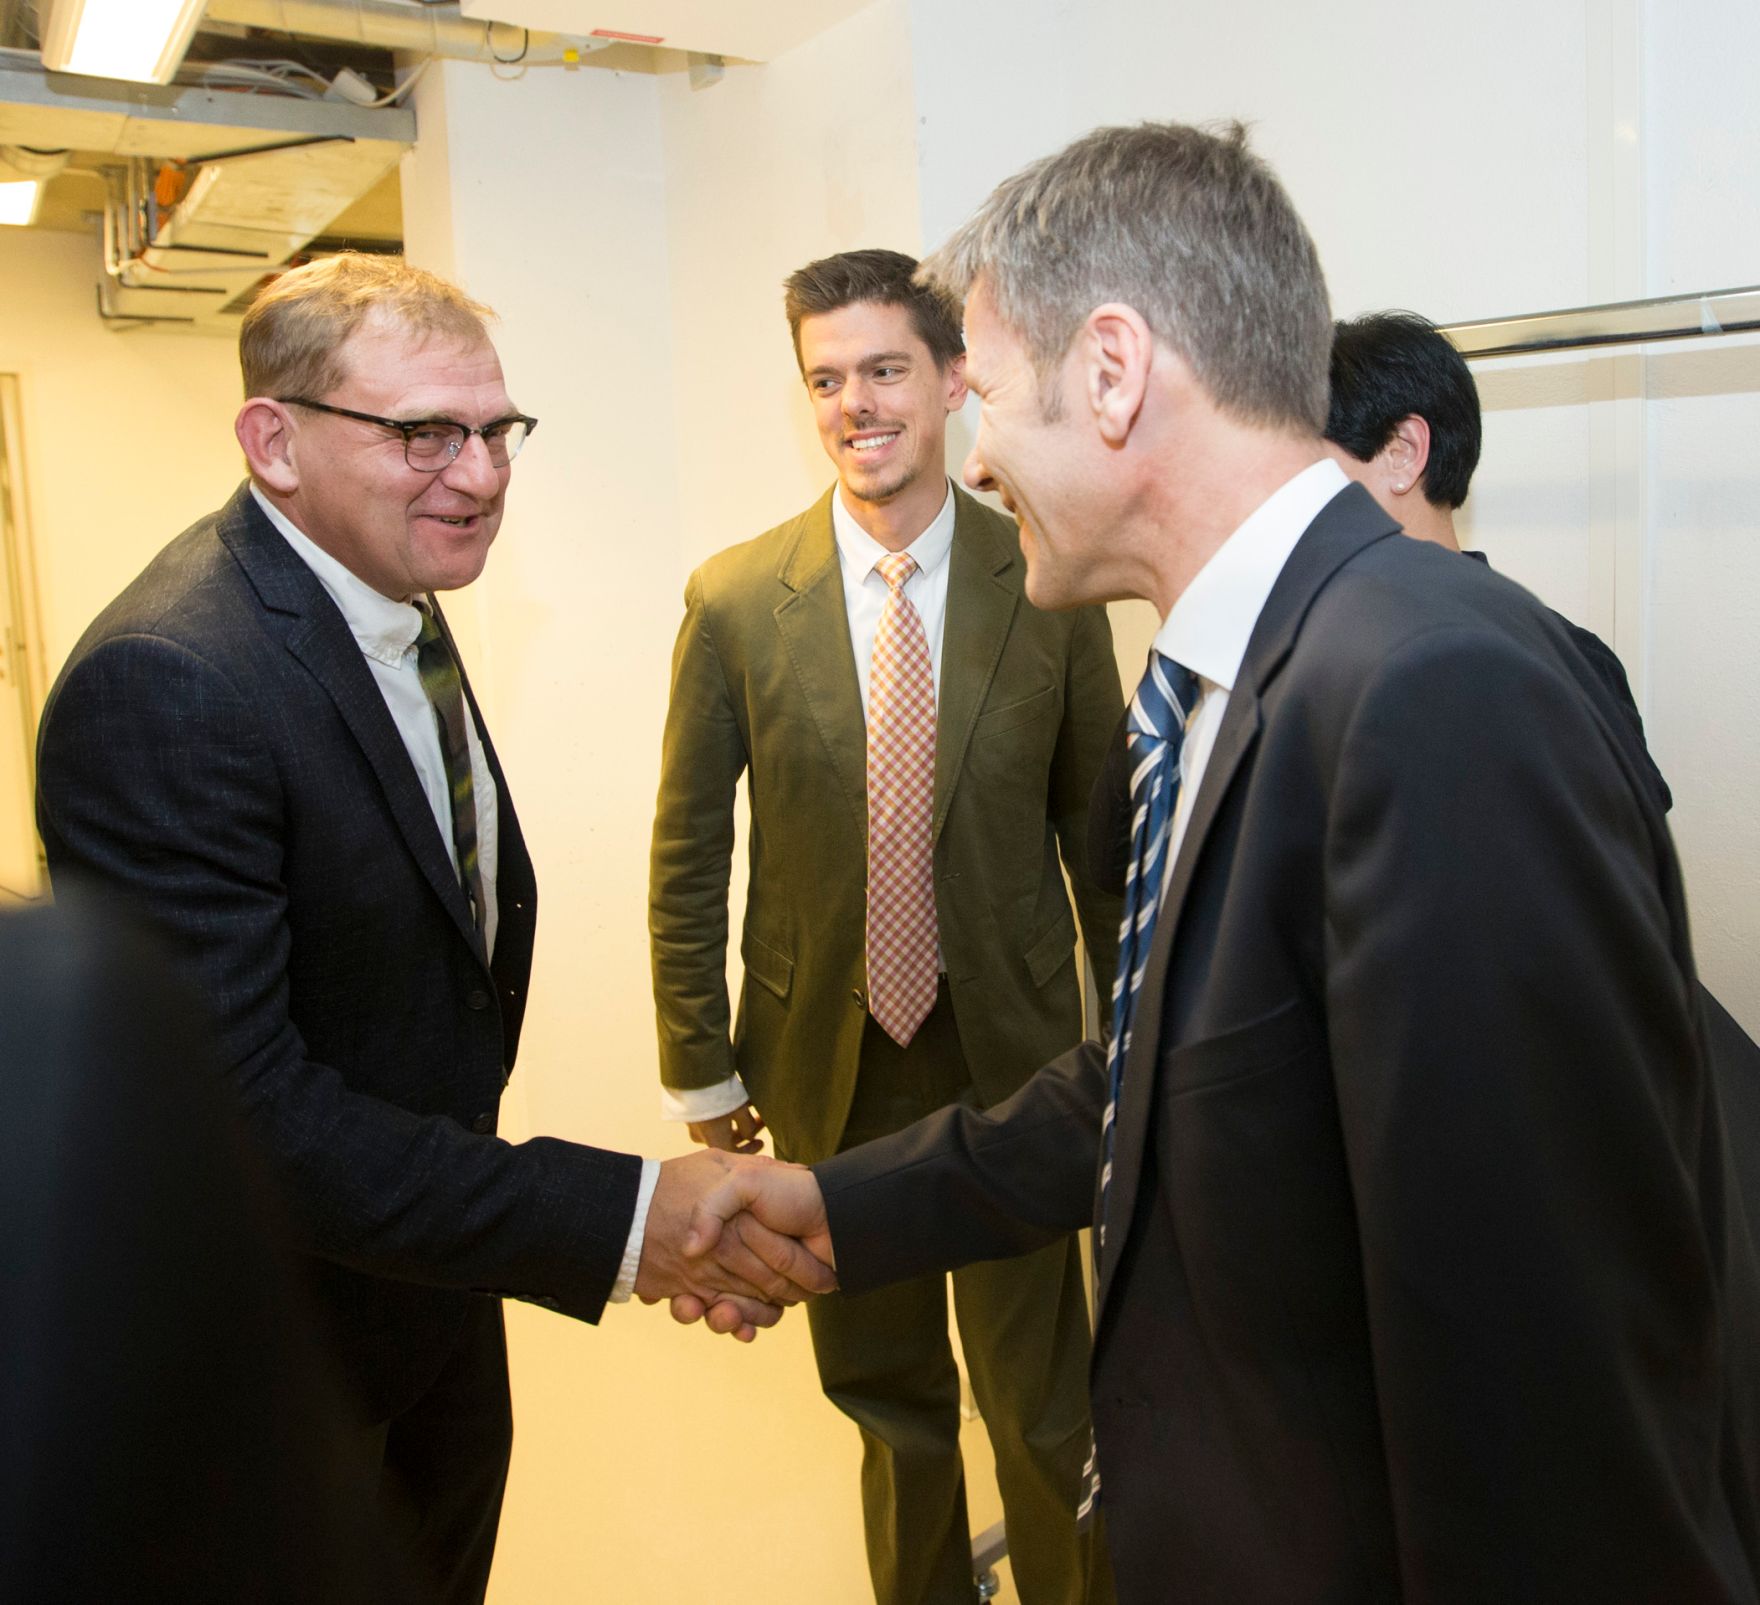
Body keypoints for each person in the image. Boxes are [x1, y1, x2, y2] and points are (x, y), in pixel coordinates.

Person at [678, 124, 1760, 1602]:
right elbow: (1167, 1073)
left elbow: (1543, 1366)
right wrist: (845, 1204)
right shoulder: (1231, 681)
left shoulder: (1428, 690)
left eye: (982, 391)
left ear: (1112, 369)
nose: (973, 450)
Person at [34, 254, 829, 1603]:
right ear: (272, 441)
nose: (479, 473)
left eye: (494, 430)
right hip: (279, 1370)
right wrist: (634, 1214)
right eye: (423, 434)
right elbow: (239, 1116)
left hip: (425, 1311)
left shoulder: (390, 594)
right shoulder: (168, 680)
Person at [649, 247, 1121, 1604]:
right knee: (886, 1398)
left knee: (1042, 1405)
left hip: (1020, 1061)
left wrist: (1144, 1048)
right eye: (826, 379)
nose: (856, 403)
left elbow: (1103, 836)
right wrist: (703, 1063)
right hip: (826, 1065)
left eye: (885, 370)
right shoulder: (737, 597)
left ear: (953, 379)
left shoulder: (1049, 575)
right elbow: (689, 846)